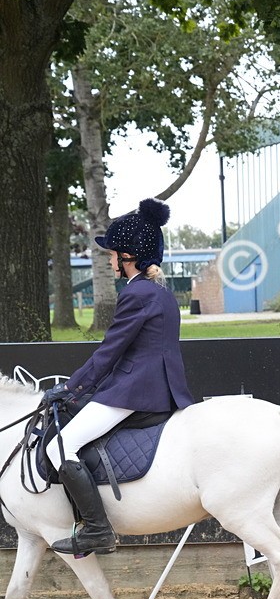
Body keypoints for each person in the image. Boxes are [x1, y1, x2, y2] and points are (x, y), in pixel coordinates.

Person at [45, 198, 194, 557]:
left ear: (128, 256)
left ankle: (97, 530)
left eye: (112, 254)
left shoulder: (136, 293)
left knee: (58, 446)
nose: (110, 260)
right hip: (161, 389)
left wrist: (70, 388)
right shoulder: (160, 292)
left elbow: (109, 352)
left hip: (136, 393)